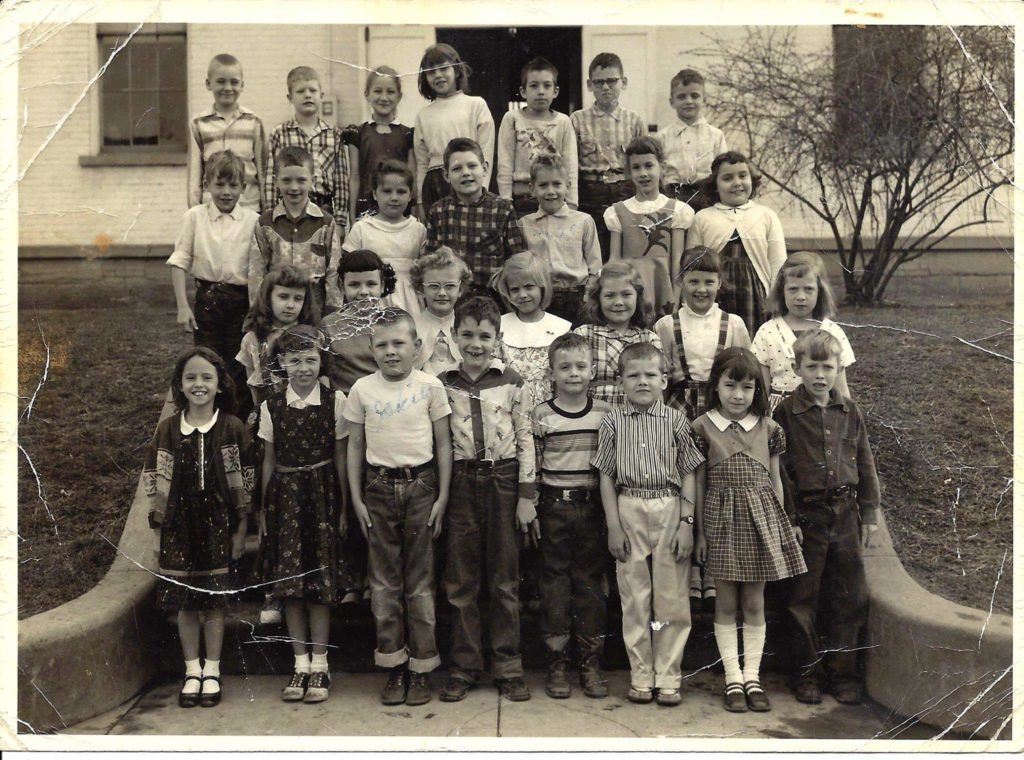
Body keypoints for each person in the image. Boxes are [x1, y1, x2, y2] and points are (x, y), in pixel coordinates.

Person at [345, 308, 453, 707]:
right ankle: (393, 666)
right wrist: (355, 498)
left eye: (399, 343)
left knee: (420, 584)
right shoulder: (362, 390)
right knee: (385, 583)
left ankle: (422, 668)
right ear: (371, 349)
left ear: (416, 346)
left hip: (422, 486)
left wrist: (442, 496)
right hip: (377, 487)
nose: (391, 352)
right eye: (382, 345)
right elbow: (355, 446)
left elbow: (444, 445)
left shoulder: (429, 387)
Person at [691, 348, 806, 713]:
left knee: (754, 602)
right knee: (725, 603)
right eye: (730, 386)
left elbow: (775, 479)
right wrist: (700, 533)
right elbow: (699, 484)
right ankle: (732, 679)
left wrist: (782, 522)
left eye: (747, 387)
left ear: (758, 389)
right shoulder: (702, 427)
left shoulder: (769, 429)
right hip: (720, 522)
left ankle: (752, 676)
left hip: (760, 522)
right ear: (716, 387)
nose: (738, 395)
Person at [592, 341, 704, 707]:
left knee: (670, 597)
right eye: (634, 375)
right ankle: (641, 674)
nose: (642, 382)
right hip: (629, 505)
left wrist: (687, 523)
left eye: (650, 375)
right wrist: (613, 525)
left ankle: (668, 676)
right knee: (635, 597)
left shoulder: (675, 420)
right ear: (620, 381)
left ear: (664, 380)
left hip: (669, 506)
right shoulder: (613, 420)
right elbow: (606, 476)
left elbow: (689, 472)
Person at [437, 296, 537, 703]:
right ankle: (463, 667)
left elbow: (527, 437)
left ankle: (508, 666)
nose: (476, 343)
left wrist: (526, 495)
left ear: (498, 337)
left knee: (503, 579)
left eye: (485, 335)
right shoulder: (442, 383)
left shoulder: (512, 382)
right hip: (461, 481)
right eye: (468, 334)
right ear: (455, 336)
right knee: (461, 580)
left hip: (504, 479)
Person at [774, 330, 880, 707]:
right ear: (796, 368)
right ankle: (806, 674)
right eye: (812, 366)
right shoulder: (786, 412)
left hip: (846, 514)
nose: (820, 374)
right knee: (803, 597)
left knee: (848, 595)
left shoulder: (850, 411)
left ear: (838, 369)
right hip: (808, 515)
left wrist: (869, 512)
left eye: (828, 366)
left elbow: (864, 461)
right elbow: (780, 470)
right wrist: (790, 518)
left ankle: (843, 673)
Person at [145, 347, 255, 709]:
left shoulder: (232, 427)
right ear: (179, 384)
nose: (199, 384)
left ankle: (213, 670)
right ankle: (191, 670)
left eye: (206, 377)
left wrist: (241, 530)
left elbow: (246, 482)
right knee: (186, 605)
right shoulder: (168, 430)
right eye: (190, 377)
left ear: (220, 384)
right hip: (179, 526)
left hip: (218, 527)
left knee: (213, 604)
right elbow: (155, 480)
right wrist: (159, 531)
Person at [258, 325, 352, 704]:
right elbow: (268, 460)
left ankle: (321, 665)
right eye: (294, 360)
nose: (303, 368)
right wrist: (264, 510)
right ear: (281, 363)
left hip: (324, 496)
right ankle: (299, 664)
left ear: (321, 361)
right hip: (286, 501)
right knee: (292, 588)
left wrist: (345, 504)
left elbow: (343, 458)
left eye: (311, 360)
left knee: (319, 587)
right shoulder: (271, 405)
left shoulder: (335, 401)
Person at [655, 246, 750, 611]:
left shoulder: (734, 324)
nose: (700, 290)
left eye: (708, 282)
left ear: (719, 283)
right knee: (684, 481)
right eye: (693, 281)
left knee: (715, 483)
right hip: (679, 407)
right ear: (680, 283)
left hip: (718, 410)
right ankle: (689, 569)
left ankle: (712, 568)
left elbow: (744, 372)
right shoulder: (666, 325)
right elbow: (661, 373)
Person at [530, 332, 612, 699]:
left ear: (592, 371)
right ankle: (557, 661)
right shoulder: (542, 414)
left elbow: (610, 466)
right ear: (551, 373)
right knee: (555, 584)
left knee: (590, 585)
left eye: (581, 366)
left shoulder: (605, 415)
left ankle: (590, 662)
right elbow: (532, 463)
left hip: (592, 506)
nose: (574, 373)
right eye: (565, 367)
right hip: (553, 506)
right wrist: (530, 504)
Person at [168, 149, 259, 413]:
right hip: (207, 301)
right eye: (219, 185)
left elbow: (257, 269)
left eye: (233, 185)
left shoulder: (253, 221)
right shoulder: (194, 217)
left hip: (241, 301)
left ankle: (236, 425)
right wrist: (183, 306)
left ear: (244, 187)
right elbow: (179, 260)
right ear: (207, 185)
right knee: (207, 363)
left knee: (238, 365)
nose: (226, 192)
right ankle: (207, 421)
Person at [688, 151, 787, 339]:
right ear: (715, 185)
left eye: (743, 176)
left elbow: (778, 263)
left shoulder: (766, 215)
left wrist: (777, 298)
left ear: (752, 180)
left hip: (755, 293)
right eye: (727, 178)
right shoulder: (703, 217)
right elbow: (692, 263)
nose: (737, 183)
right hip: (716, 292)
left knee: (754, 341)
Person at [248, 146, 344, 319]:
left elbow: (333, 271)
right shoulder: (265, 224)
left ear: (313, 180)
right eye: (286, 180)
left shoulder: (325, 223)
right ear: (276, 181)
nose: (294, 187)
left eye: (301, 180)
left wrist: (332, 314)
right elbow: (257, 272)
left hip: (315, 309)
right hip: (277, 309)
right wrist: (259, 311)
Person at [752, 251, 855, 412]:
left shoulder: (833, 331)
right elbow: (761, 391)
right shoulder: (767, 332)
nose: (801, 296)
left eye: (808, 289)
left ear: (820, 291)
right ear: (782, 291)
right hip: (779, 414)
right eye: (793, 289)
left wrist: (846, 421)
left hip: (821, 413)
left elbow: (842, 390)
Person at [424, 137, 528, 296]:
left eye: (472, 166)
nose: (466, 173)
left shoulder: (503, 209)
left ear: (485, 168)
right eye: (457, 168)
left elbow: (517, 260)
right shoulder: (438, 212)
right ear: (446, 175)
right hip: (452, 298)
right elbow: (430, 263)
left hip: (492, 297)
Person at [606, 136, 694, 317]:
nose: (643, 173)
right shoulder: (618, 211)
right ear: (629, 172)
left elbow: (677, 260)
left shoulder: (676, 210)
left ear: (662, 167)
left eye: (649, 165)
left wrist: (677, 299)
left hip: (663, 289)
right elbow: (614, 260)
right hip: (630, 291)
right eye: (636, 168)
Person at [571, 52, 645, 260]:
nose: (605, 87)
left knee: (624, 249)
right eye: (599, 82)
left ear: (624, 82)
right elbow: (570, 163)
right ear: (589, 84)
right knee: (594, 249)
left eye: (612, 81)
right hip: (591, 192)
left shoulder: (634, 120)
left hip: (625, 190)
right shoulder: (577, 120)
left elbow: (642, 164)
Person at [263, 66, 351, 228]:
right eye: (301, 91)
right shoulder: (279, 133)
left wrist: (339, 222)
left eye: (312, 90)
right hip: (288, 209)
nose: (307, 95)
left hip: (323, 209)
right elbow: (270, 178)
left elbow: (342, 182)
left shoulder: (334, 134)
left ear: (321, 95)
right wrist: (271, 214)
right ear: (290, 97)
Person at [519, 154, 602, 325]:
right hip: (540, 298)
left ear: (567, 186)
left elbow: (595, 266)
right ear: (532, 188)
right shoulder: (524, 224)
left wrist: (588, 299)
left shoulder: (583, 221)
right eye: (543, 185)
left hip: (576, 298)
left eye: (557, 184)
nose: (551, 191)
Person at [414, 43, 495, 215]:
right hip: (434, 185)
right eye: (431, 71)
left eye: (443, 68)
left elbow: (486, 152)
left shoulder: (476, 105)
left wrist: (482, 191)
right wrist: (421, 201)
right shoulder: (423, 114)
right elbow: (421, 162)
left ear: (457, 70)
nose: (438, 75)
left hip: (469, 179)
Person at [342, 160, 426, 316]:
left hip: (410, 301)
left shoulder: (418, 230)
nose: (394, 197)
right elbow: (348, 269)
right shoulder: (362, 228)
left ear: (410, 195)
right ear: (375, 193)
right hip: (371, 300)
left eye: (401, 191)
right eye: (387, 191)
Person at [572, 261, 661, 408]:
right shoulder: (584, 335)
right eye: (610, 296)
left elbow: (657, 392)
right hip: (593, 418)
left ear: (637, 298)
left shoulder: (649, 339)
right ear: (598, 299)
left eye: (626, 294)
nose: (618, 302)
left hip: (636, 421)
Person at [497, 57, 579, 215]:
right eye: (534, 85)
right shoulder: (512, 119)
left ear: (555, 91)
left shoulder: (563, 122)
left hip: (555, 198)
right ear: (522, 91)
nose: (541, 91)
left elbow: (570, 164)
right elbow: (505, 163)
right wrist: (506, 201)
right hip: (523, 199)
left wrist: (572, 203)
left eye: (547, 86)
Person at [188, 53, 266, 213]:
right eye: (221, 81)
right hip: (211, 210)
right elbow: (194, 174)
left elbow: (263, 170)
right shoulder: (198, 123)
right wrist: (196, 212)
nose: (228, 88)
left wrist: (266, 211)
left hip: (249, 209)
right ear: (208, 84)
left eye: (234, 82)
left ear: (242, 85)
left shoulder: (254, 122)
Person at [492, 251, 572, 409]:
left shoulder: (560, 329)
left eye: (529, 287)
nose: (522, 295)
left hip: (551, 411)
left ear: (543, 287)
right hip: (509, 410)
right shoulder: (500, 326)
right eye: (515, 289)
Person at [319, 249, 399, 394]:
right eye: (354, 285)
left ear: (382, 285)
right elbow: (323, 371)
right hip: (345, 401)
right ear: (342, 286)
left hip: (386, 400)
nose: (363, 291)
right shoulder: (329, 325)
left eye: (371, 284)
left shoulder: (394, 322)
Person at [343, 66, 416, 220]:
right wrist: (351, 216)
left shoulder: (408, 134)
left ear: (399, 96)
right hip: (367, 208)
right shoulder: (358, 133)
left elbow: (412, 177)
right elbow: (354, 176)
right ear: (367, 94)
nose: (384, 97)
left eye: (390, 92)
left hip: (399, 207)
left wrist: (414, 212)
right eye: (377, 91)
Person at [658, 69, 728, 212]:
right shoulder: (662, 137)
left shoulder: (716, 135)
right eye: (682, 96)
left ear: (704, 99)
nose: (688, 101)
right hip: (673, 197)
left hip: (707, 198)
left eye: (695, 96)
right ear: (672, 102)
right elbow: (659, 174)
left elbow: (723, 171)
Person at [410, 247, 471, 377]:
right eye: (433, 286)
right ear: (421, 289)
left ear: (460, 289)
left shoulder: (468, 327)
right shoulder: (411, 327)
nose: (442, 293)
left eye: (450, 286)